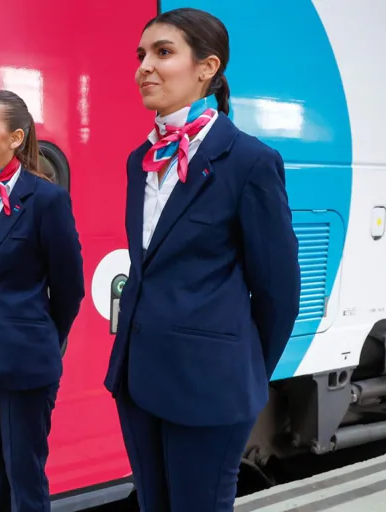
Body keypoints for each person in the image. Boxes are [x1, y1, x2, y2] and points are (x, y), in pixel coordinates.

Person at [103, 8, 301, 511]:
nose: (144, 66)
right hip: (138, 377)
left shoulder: (250, 162)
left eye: (163, 53)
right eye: (141, 55)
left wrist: (241, 370)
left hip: (210, 388)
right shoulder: (138, 161)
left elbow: (279, 292)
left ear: (207, 67)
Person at [0, 90, 85, 511]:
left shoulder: (46, 199)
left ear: (15, 137)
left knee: (24, 477)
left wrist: (41, 336)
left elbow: (70, 287)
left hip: (24, 361)